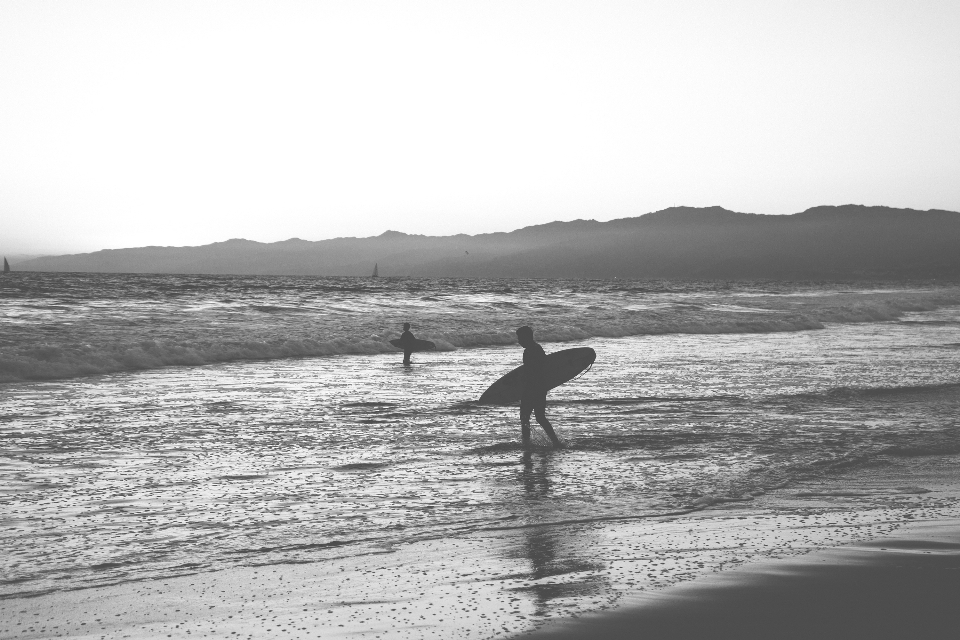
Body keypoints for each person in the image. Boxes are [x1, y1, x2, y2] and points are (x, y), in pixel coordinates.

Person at [516, 325, 563, 448]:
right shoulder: (537, 348)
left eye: (520, 338)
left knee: (525, 418)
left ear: (527, 338)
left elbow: (531, 371)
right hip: (540, 388)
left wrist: (523, 384)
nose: (519, 341)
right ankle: (555, 442)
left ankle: (526, 444)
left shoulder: (530, 351)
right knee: (540, 417)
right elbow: (543, 368)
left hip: (532, 389)